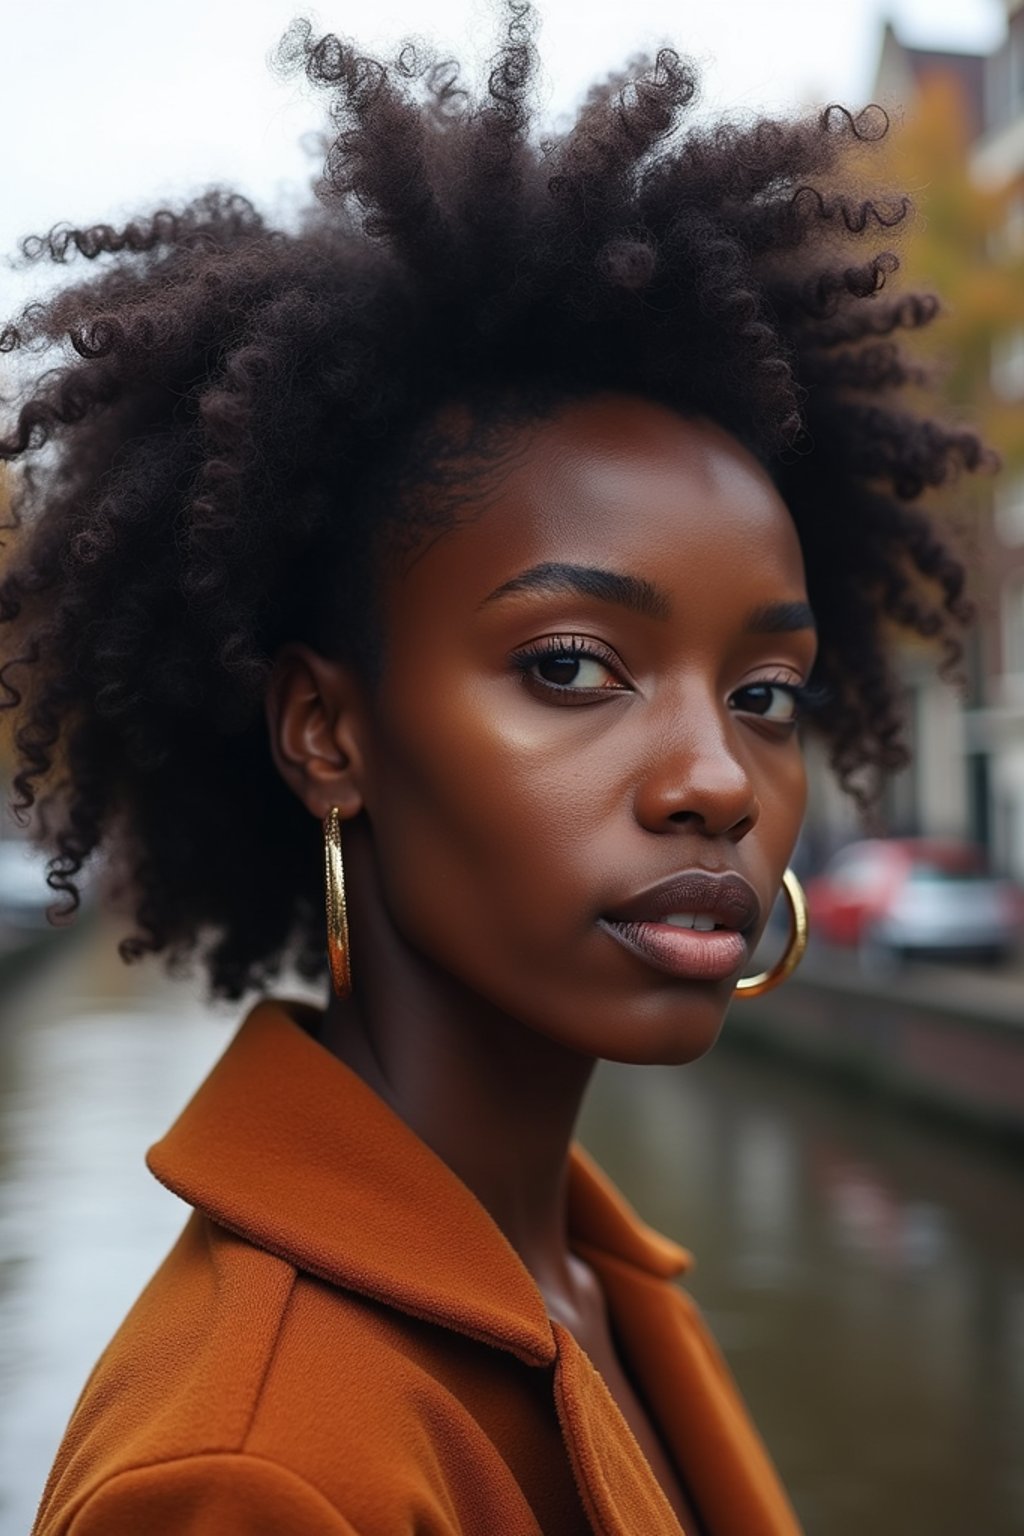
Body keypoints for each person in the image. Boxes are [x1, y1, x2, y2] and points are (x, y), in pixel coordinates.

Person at [0, 6, 983, 1533]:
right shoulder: (252, 1473)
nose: (718, 779)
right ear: (329, 733)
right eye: (573, 667)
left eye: (768, 689)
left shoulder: (591, 1281)